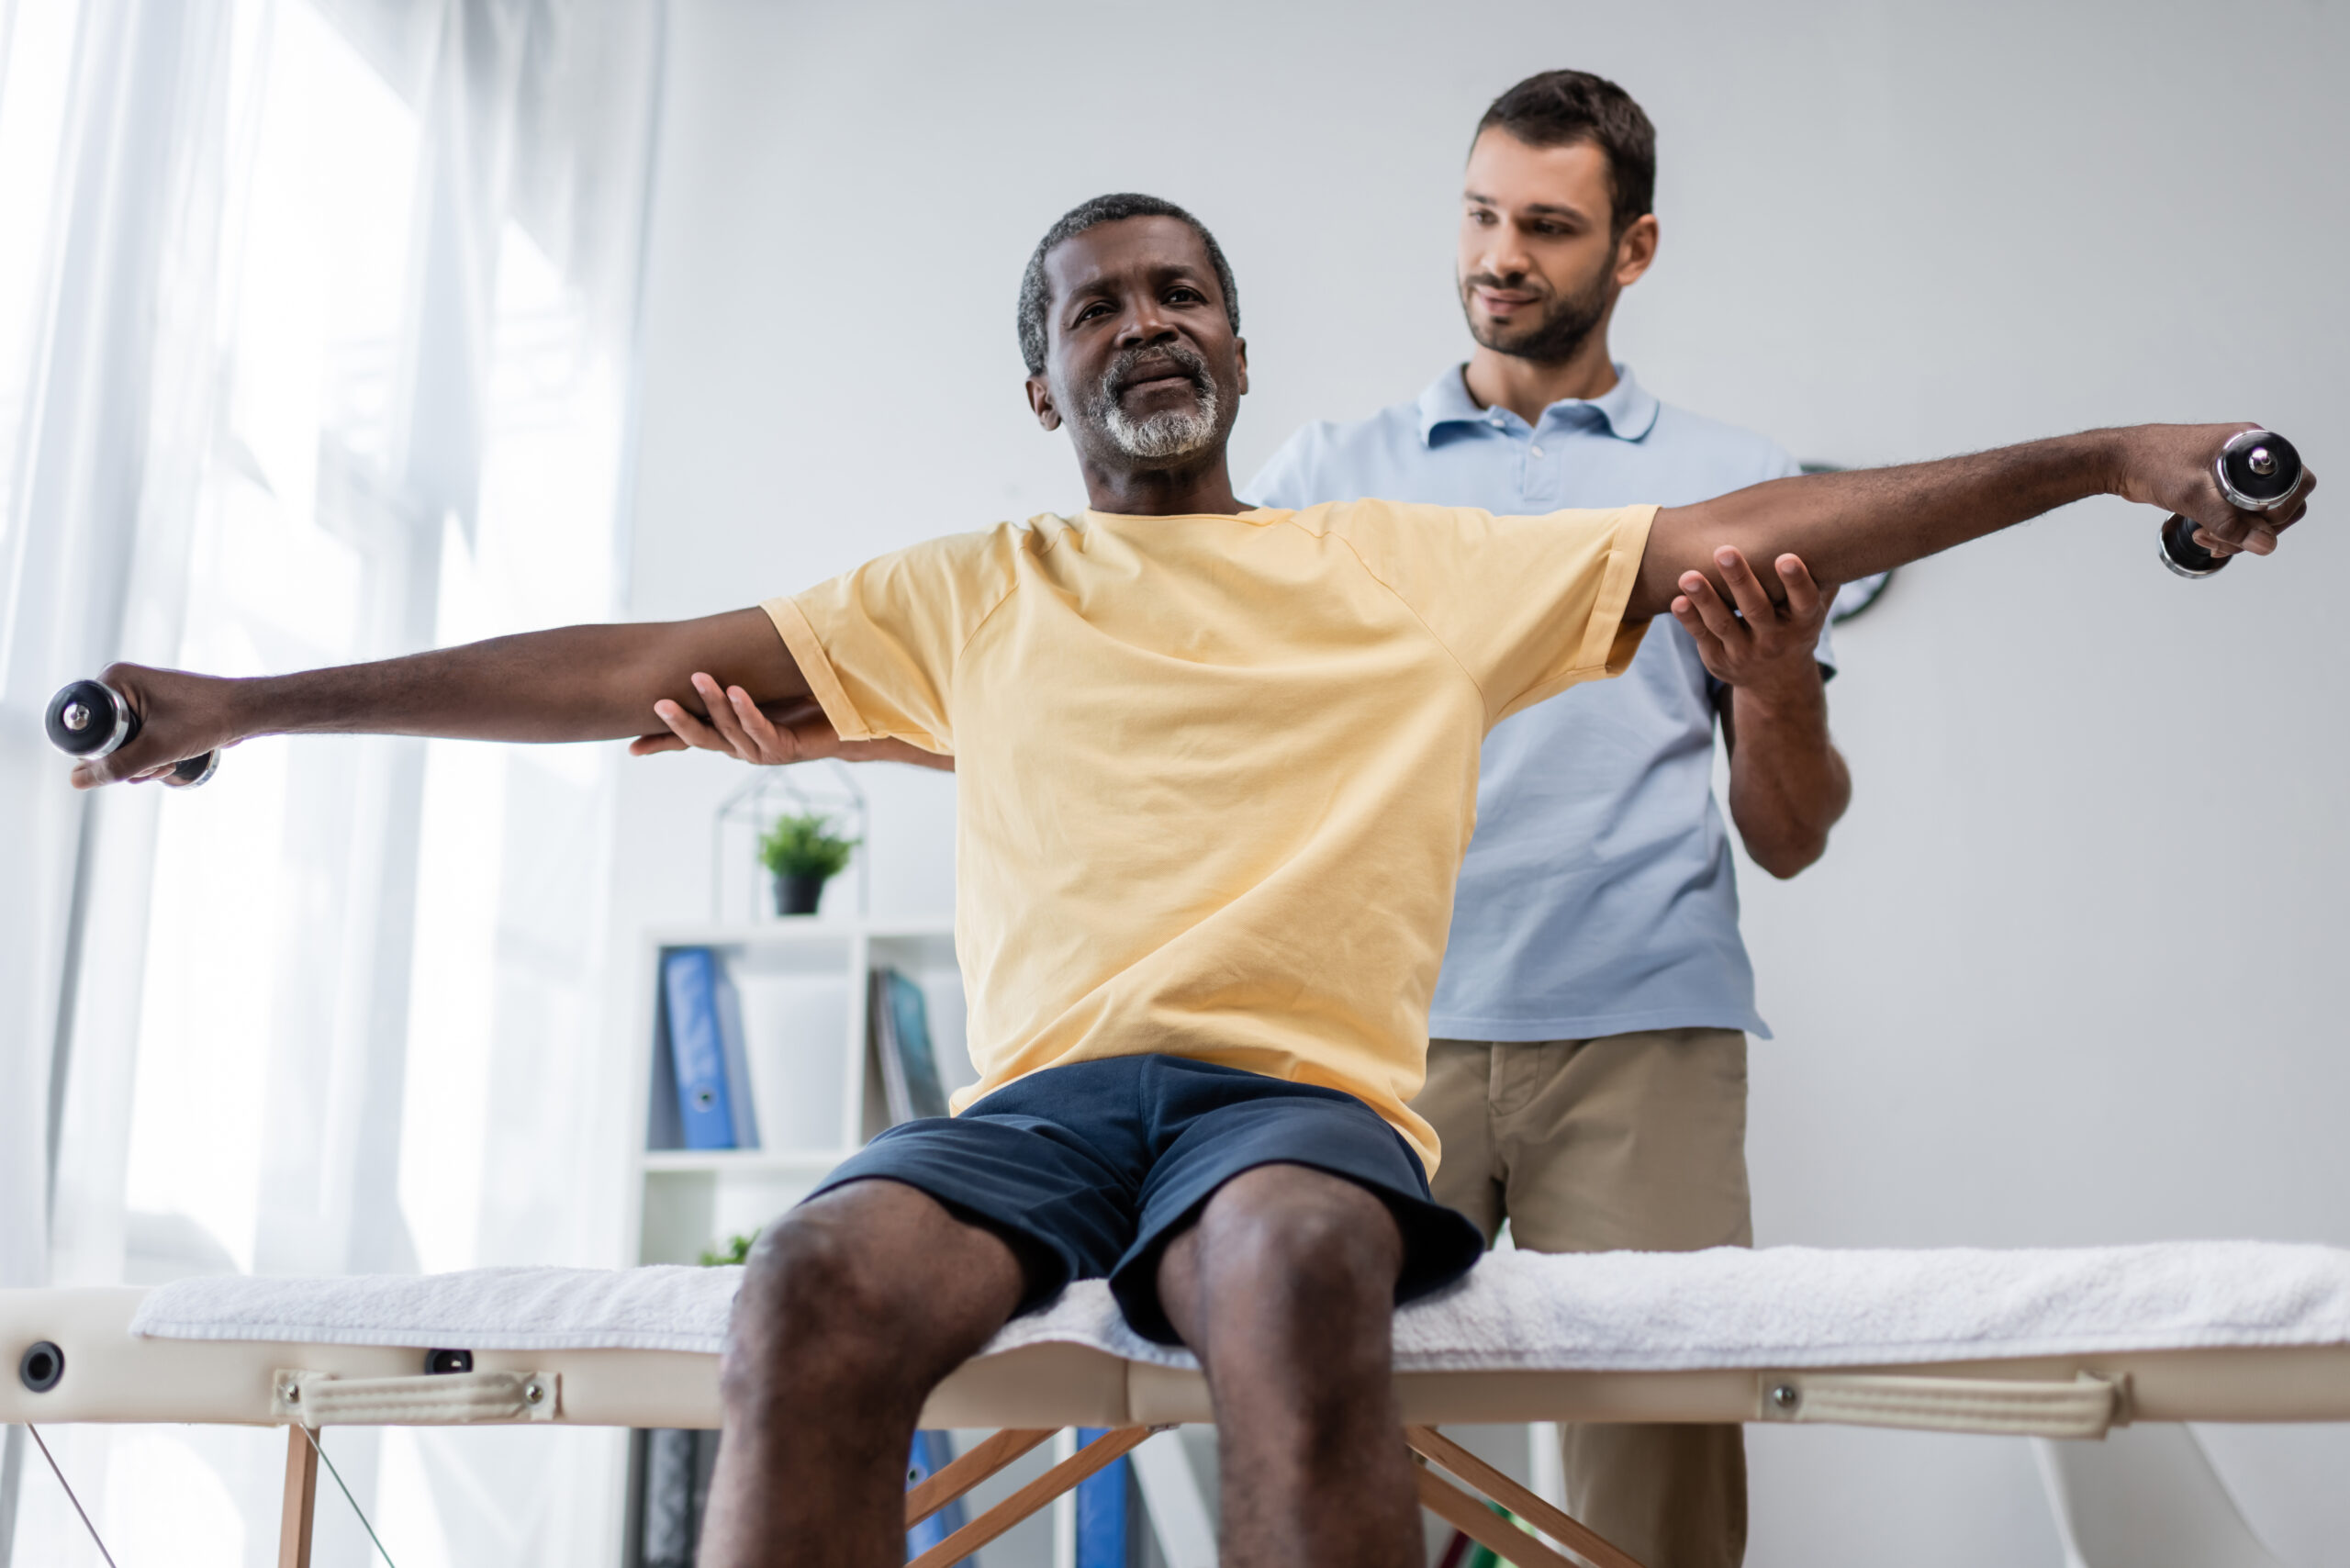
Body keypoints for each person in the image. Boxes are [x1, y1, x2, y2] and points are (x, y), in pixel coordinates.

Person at [72, 193, 2306, 1568]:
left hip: (1283, 1095)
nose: (1145, 321)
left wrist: (2110, 455)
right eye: (1096, 303)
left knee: (1296, 1266)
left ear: (1234, 348)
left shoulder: (1405, 567)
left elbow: (1760, 531)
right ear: (1038, 374)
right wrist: (249, 702)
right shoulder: (969, 588)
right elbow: (627, 663)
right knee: (810, 1292)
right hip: (1038, 1108)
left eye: (1183, 292)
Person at [1242, 71, 1841, 1565]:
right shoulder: (1323, 479)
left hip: (1643, 1032)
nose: (1500, 255)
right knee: (1319, 1445)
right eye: (1481, 213)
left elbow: (1792, 833)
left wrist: (1776, 691)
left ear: (1632, 251)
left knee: (1661, 1486)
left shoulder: (1735, 485)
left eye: (1550, 228)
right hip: (1375, 1040)